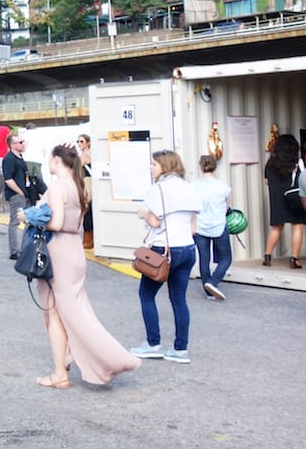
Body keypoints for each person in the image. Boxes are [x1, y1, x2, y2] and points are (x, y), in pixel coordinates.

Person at [19, 144, 140, 387]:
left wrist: (28, 216)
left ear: (55, 160)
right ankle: (66, 362)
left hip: (57, 252)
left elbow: (57, 222)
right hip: (74, 252)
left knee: (54, 312)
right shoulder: (79, 187)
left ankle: (60, 373)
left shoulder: (56, 187)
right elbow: (76, 224)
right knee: (77, 311)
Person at [132, 149, 201, 364]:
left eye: (154, 164)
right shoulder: (189, 187)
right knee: (179, 299)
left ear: (165, 166)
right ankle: (180, 349)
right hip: (188, 248)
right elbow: (193, 226)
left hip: (164, 249)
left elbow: (155, 222)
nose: (150, 167)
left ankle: (153, 343)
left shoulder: (158, 189)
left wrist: (143, 213)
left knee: (146, 294)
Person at [262, 133, 305, 268]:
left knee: (277, 227)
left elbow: (266, 182)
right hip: (294, 198)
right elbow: (303, 180)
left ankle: (267, 257)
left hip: (277, 199)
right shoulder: (298, 162)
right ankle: (294, 259)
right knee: (297, 226)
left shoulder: (270, 164)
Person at [193, 154, 232, 300]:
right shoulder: (223, 187)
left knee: (204, 258)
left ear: (200, 167)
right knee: (226, 258)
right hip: (218, 226)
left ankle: (209, 292)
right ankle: (213, 282)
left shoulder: (193, 186)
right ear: (215, 167)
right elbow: (227, 207)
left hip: (200, 226)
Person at [2, 133, 28, 260]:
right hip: (16, 194)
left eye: (22, 142)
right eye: (20, 142)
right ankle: (14, 250)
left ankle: (24, 248)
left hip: (24, 193)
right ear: (12, 145)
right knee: (15, 222)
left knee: (28, 220)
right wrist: (20, 192)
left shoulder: (20, 158)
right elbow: (8, 179)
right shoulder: (9, 159)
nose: (23, 144)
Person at [76, 133, 95, 249]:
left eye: (81, 141)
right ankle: (90, 237)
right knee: (90, 210)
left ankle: (88, 238)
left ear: (88, 143)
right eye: (77, 141)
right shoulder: (92, 154)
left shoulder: (84, 156)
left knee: (87, 210)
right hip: (91, 184)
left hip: (86, 184)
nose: (79, 144)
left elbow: (75, 170)